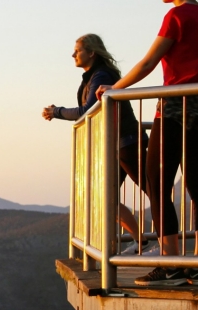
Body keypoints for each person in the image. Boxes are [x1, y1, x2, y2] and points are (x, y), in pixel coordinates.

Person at [97, 0, 198, 287]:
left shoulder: (176, 16)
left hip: (174, 107)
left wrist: (113, 89)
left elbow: (148, 63)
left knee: (156, 183)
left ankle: (171, 265)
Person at [43, 33, 150, 254]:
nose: (73, 54)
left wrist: (56, 112)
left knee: (153, 192)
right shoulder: (94, 75)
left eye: (78, 50)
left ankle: (164, 247)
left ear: (91, 53)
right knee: (105, 196)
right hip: (116, 144)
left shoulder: (100, 75)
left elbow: (88, 110)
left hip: (126, 142)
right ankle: (142, 242)